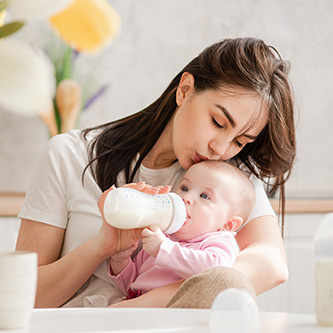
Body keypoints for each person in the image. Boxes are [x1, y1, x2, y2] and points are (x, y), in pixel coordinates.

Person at [16, 37, 296, 309]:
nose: (219, 149)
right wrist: (101, 247)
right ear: (185, 90)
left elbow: (271, 265)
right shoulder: (69, 155)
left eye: (240, 141)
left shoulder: (227, 179)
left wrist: (142, 307)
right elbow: (22, 296)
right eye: (218, 122)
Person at [100, 160, 255, 307]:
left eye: (204, 196)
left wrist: (163, 249)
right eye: (184, 188)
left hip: (177, 311)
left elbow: (215, 271)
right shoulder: (163, 236)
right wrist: (121, 262)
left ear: (227, 224)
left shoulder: (218, 241)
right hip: (137, 304)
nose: (186, 198)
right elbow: (133, 285)